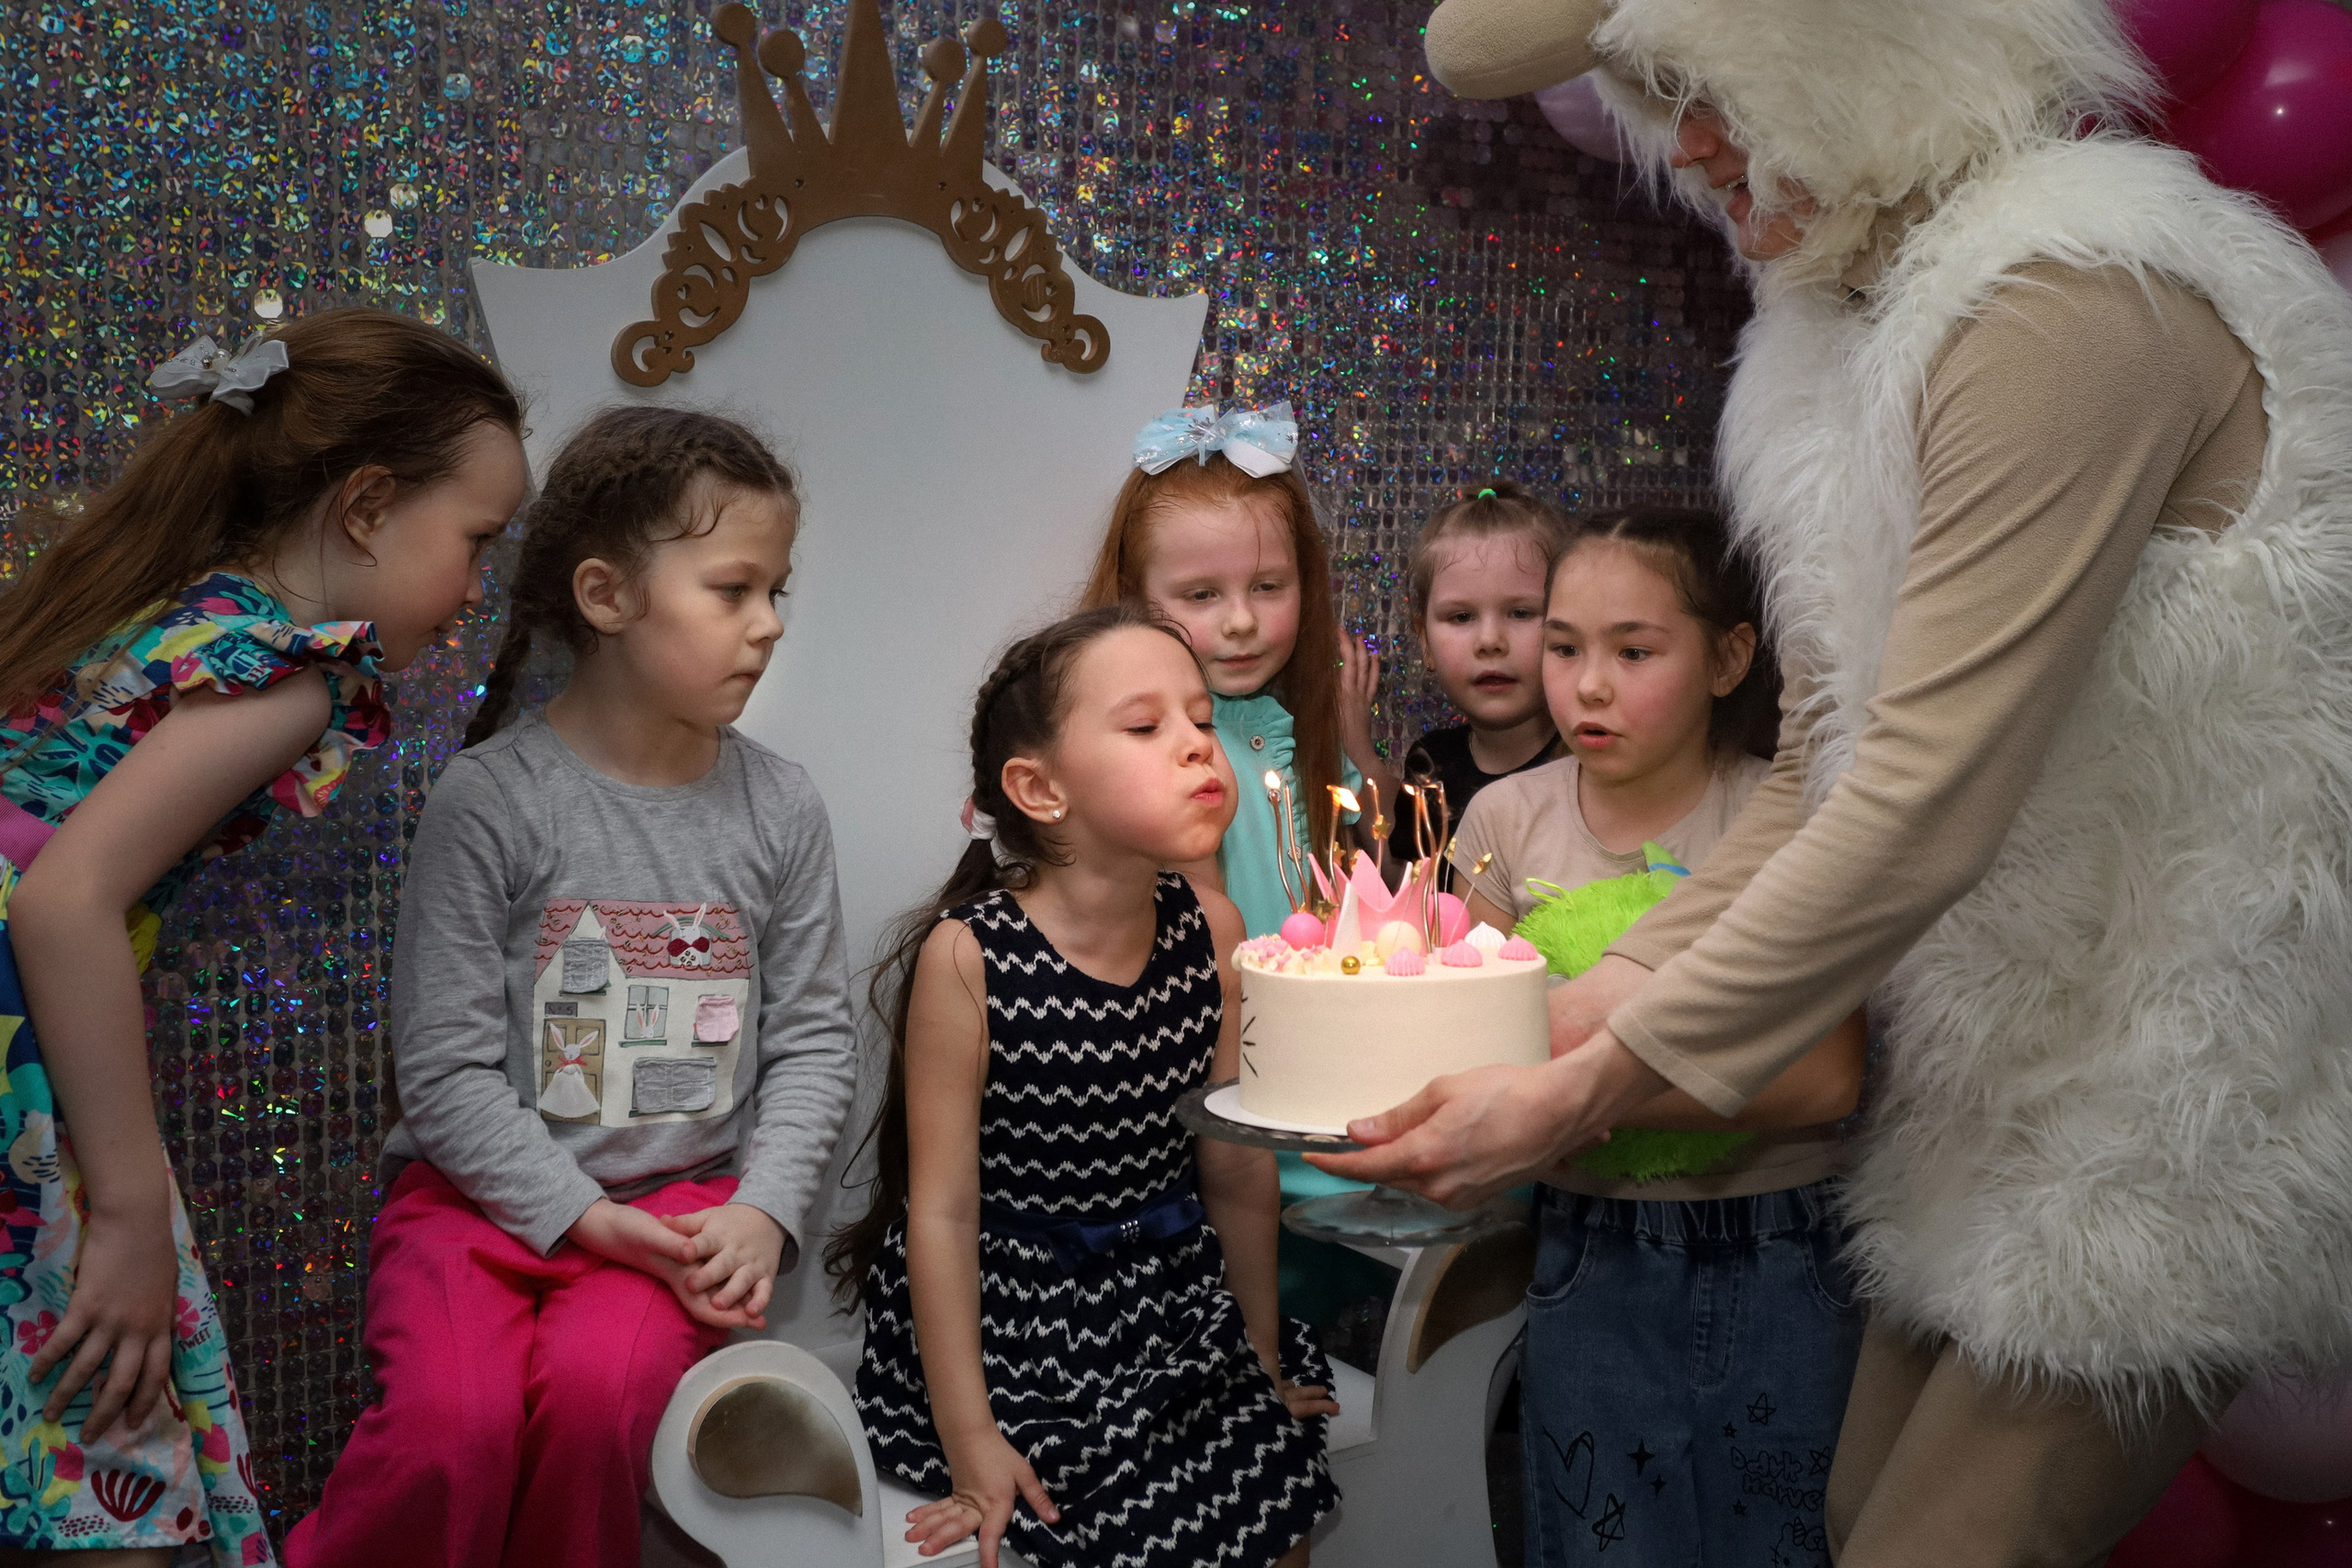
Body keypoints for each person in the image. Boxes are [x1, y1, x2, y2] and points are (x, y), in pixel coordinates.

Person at [1325, 0, 2352, 1561]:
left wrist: (1588, 1084)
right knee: (1858, 1513)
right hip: (2000, 1057)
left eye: (1713, 89)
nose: (1690, 146)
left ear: (1864, 60)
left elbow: (1921, 799)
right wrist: (1570, 1013)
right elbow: (1824, 764)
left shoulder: (2070, 297)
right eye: (1658, 101)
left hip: (2203, 1073)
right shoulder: (1825, 348)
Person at [284, 407, 858, 1568]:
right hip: (473, 1210)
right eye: (734, 589)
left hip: (679, 1215)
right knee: (453, 1428)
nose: (769, 624)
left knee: (602, 1407)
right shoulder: (494, 800)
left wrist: (762, 1210)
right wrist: (582, 1215)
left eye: (776, 590)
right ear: (605, 596)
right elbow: (444, 1072)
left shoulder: (781, 807)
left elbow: (812, 1043)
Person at [0, 309, 527, 1564]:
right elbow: (65, 902)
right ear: (367, 506)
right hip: (21, 1052)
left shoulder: (171, 604)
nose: (475, 591)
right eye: (475, 540)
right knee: (111, 1448)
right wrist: (132, 1211)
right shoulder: (284, 670)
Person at [831, 604, 1340, 1568]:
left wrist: (1260, 1357)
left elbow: (1234, 1168)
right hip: (1014, 1327)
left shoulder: (1215, 929)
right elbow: (940, 1213)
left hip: (1172, 1306)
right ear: (1039, 789)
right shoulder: (969, 957)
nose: (1197, 744)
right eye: (1147, 726)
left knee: (1280, 1516)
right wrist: (971, 1440)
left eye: (1201, 718)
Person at [1451, 506, 1864, 1563]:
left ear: (1728, 658)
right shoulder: (1503, 824)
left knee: (1785, 1541)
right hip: (1593, 1250)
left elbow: (1826, 1079)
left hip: (1785, 1250)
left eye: (1633, 652)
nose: (1587, 686)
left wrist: (1580, 1092)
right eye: (1563, 648)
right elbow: (1473, 1043)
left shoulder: (1783, 815)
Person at [1081, 403, 1393, 939]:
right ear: (1134, 597)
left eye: (1267, 586)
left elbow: (1398, 861)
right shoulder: (1134, 752)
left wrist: (1355, 743)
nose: (1242, 621)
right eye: (1202, 595)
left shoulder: (1298, 732)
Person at [1386, 481, 1568, 883]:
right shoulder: (1429, 766)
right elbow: (1407, 892)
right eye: (1462, 617)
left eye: (1521, 613)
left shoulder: (1590, 768)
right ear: (1424, 641)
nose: (1490, 641)